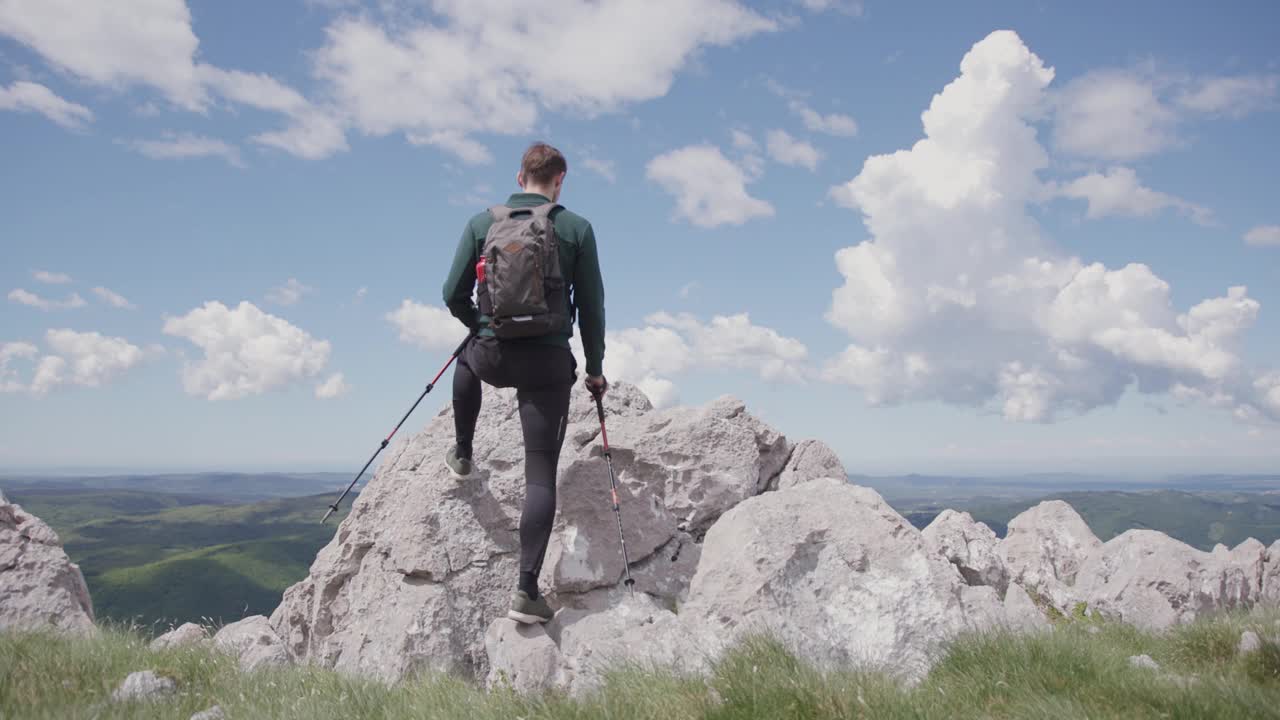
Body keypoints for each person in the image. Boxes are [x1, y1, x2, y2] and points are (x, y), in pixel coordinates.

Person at [441, 142, 607, 624]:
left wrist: (479, 325)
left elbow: (451, 292)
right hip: (547, 365)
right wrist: (594, 369)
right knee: (539, 475)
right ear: (560, 179)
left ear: (519, 179)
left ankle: (463, 452)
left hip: (493, 355)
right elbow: (593, 307)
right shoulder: (576, 228)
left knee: (465, 362)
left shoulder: (482, 223)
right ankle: (526, 593)